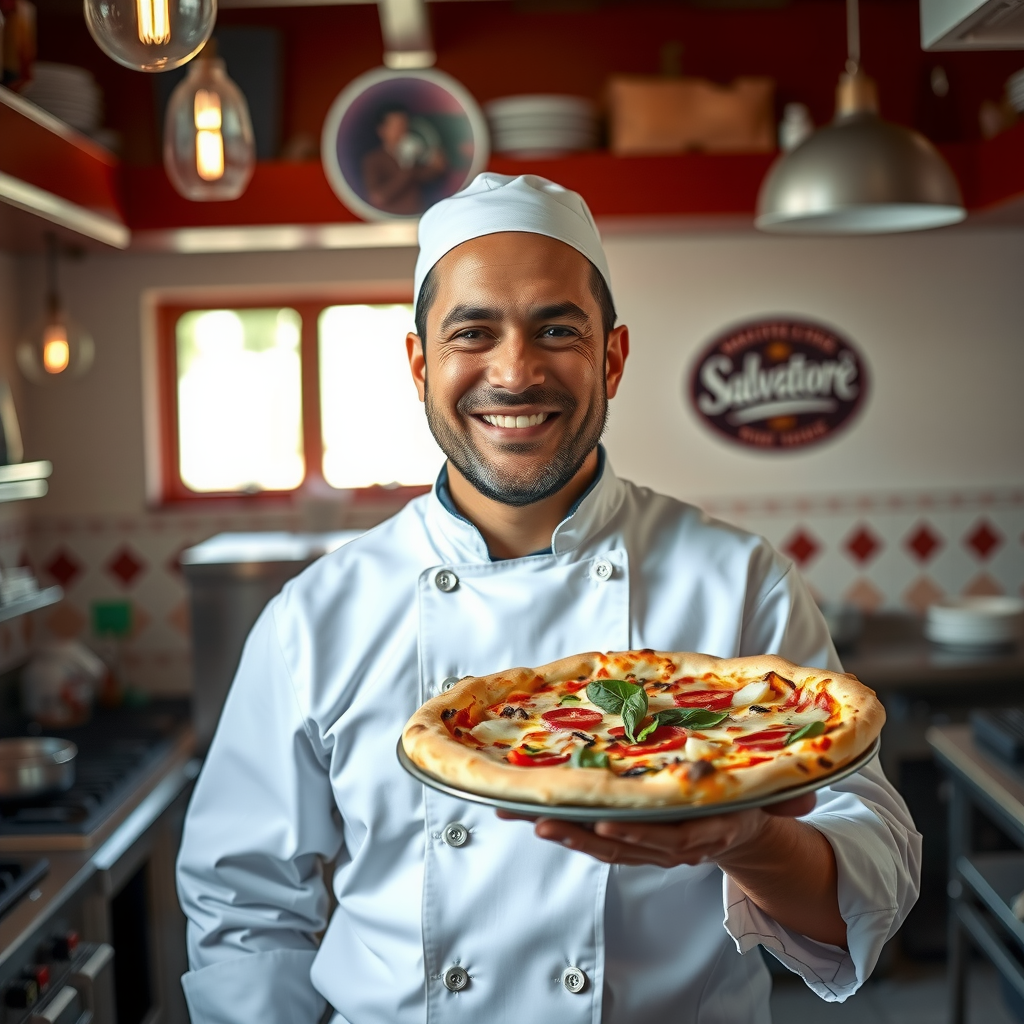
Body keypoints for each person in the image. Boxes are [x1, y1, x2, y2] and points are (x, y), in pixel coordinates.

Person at [177, 173, 921, 1024]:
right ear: (420, 363)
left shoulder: (739, 582)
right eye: (473, 332)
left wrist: (749, 838)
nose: (516, 371)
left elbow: (873, 884)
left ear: (612, 355)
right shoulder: (315, 617)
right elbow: (244, 915)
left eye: (557, 328)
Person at [361, 107, 446, 216]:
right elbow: (378, 197)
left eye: (405, 125)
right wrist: (408, 169)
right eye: (397, 126)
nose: (403, 131)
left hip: (416, 216)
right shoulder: (373, 160)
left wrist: (436, 166)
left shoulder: (413, 153)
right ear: (382, 130)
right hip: (388, 220)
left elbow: (424, 174)